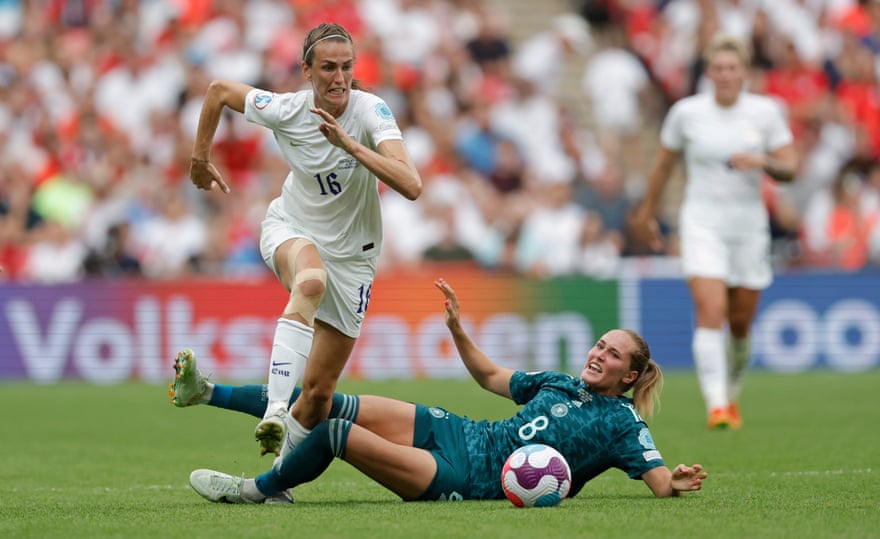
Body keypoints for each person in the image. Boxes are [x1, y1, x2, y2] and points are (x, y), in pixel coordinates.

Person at [171, 278, 707, 504]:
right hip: (459, 432)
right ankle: (206, 392)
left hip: (466, 477)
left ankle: (256, 490)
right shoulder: (561, 380)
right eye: (599, 344)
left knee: (335, 433)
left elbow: (660, 484)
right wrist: (457, 330)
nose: (597, 354)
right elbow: (492, 378)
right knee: (321, 397)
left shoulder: (623, 425)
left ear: (630, 376)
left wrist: (676, 482)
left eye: (612, 354)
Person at [186, 22, 423, 457]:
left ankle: (275, 478)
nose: (339, 77)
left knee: (317, 396)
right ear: (307, 71)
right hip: (291, 228)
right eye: (328, 67)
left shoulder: (372, 112)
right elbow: (218, 89)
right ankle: (276, 408)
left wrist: (351, 146)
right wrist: (200, 159)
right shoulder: (286, 109)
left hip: (354, 259)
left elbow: (411, 184)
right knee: (310, 280)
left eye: (347, 67)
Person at [631, 34, 796, 430]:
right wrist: (647, 212)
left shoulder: (766, 112)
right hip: (701, 220)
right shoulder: (688, 113)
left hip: (749, 225)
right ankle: (717, 405)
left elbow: (791, 168)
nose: (724, 75)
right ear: (708, 72)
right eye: (718, 68)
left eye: (732, 68)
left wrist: (764, 161)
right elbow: (664, 166)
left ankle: (732, 390)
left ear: (744, 73)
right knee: (711, 309)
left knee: (740, 322)